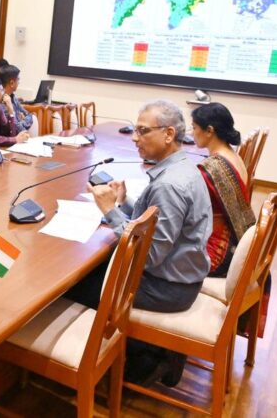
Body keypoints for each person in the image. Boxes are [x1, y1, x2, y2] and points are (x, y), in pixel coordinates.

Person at [70, 99, 212, 386]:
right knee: (94, 268)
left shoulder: (168, 185)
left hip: (167, 287)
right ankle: (152, 351)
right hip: (180, 276)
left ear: (169, 134)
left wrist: (109, 211)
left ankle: (145, 358)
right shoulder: (182, 166)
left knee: (74, 283)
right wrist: (124, 203)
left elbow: (147, 256)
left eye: (143, 131)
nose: (135, 138)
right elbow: (153, 221)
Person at [191, 102, 255, 277]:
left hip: (217, 255)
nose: (192, 133)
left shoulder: (210, 169)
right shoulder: (233, 156)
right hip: (237, 244)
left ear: (209, 131)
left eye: (194, 128)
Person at [0, 64, 33, 132]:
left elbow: (29, 115)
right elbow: (16, 129)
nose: (19, 82)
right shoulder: (1, 102)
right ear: (12, 83)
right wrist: (20, 121)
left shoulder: (12, 97)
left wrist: (21, 122)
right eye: (18, 79)